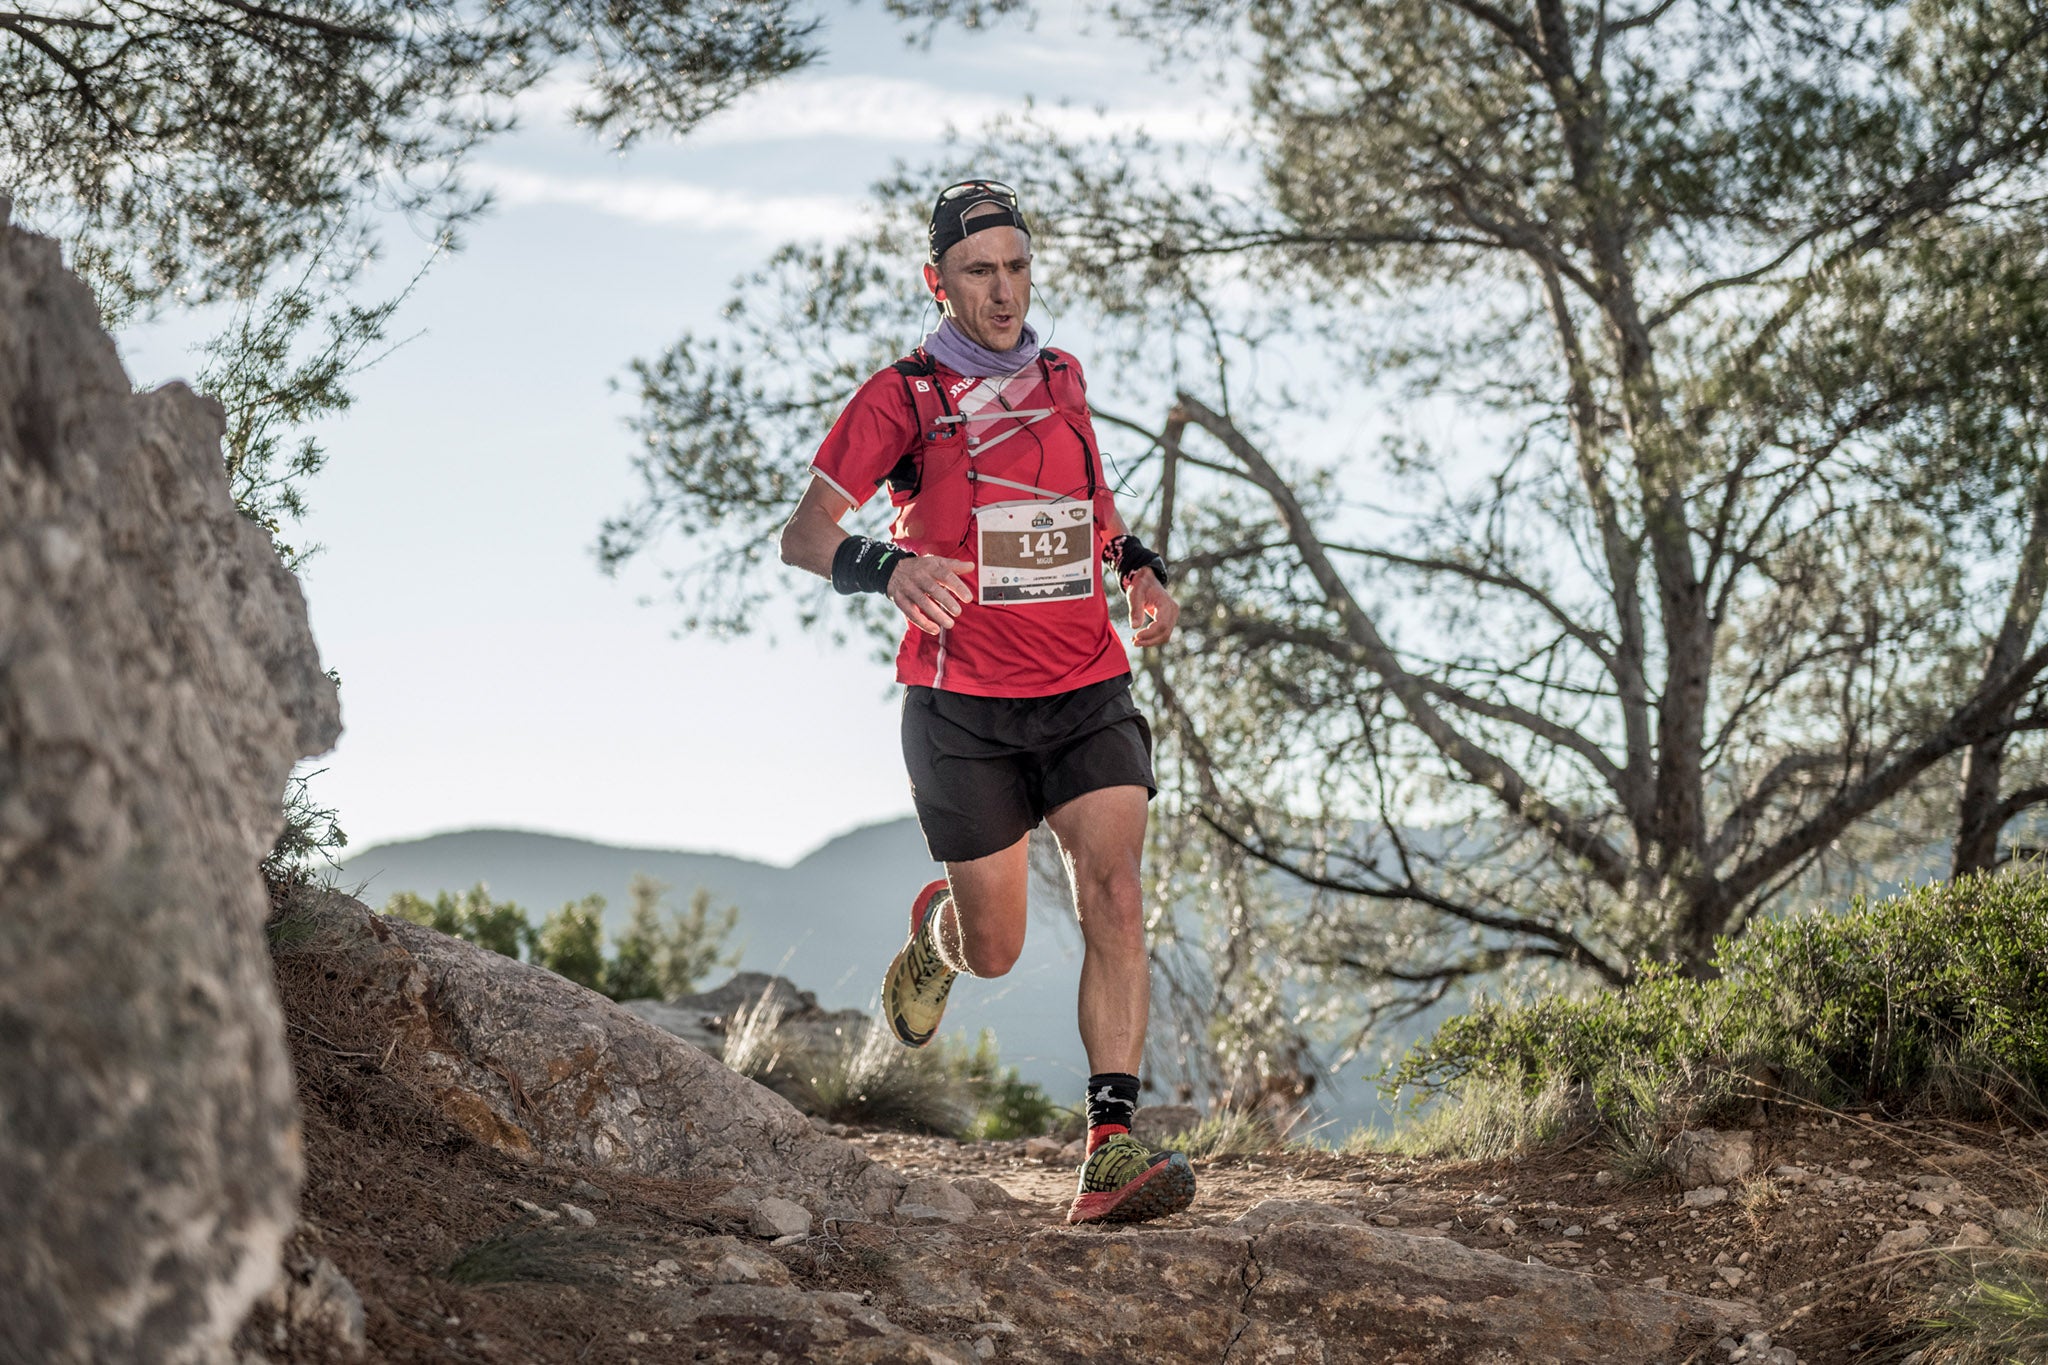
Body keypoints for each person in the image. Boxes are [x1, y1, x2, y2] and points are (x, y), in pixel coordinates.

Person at [778, 179, 1193, 1225]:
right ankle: (940, 937)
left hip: (1085, 686)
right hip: (962, 708)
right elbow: (806, 533)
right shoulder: (902, 399)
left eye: (1015, 267)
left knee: (1116, 894)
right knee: (997, 947)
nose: (1003, 291)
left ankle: (1110, 1150)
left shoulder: (1061, 376)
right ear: (937, 281)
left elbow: (1089, 507)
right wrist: (886, 569)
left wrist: (1135, 567)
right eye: (979, 272)